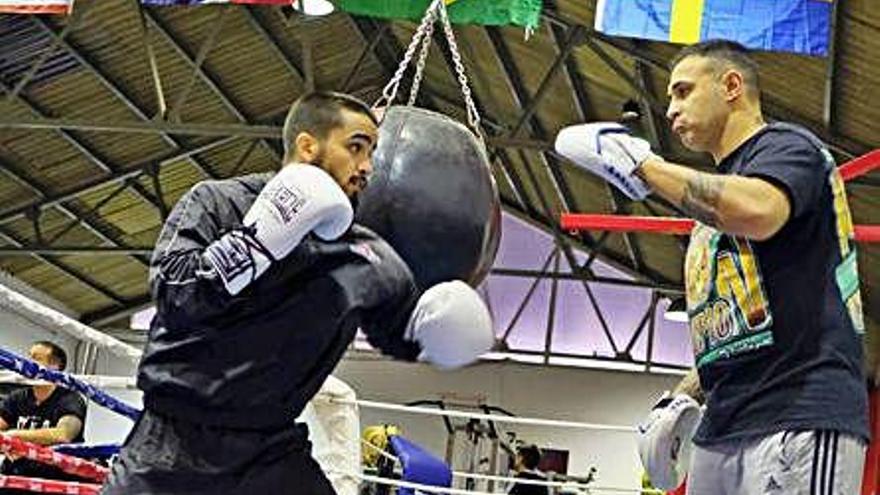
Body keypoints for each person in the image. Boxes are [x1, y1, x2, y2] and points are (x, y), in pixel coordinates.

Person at [100, 91, 495, 495]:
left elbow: (398, 331)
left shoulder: (366, 253)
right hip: (173, 444)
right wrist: (256, 241)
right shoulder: (220, 202)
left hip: (270, 450)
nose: (367, 167)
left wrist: (440, 334)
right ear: (308, 146)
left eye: (372, 152)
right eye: (356, 147)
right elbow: (173, 294)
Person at [555, 40, 868, 494]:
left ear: (732, 86)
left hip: (799, 414)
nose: (669, 110)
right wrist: (682, 394)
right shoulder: (711, 217)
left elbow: (759, 212)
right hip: (722, 426)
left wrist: (641, 165)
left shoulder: (789, 148)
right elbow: (738, 333)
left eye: (682, 92)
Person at [0, 341, 87, 493]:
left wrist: (14, 436)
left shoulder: (70, 399)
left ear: (54, 366)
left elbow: (63, 434)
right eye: (28, 358)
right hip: (16, 478)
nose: (28, 364)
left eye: (35, 359)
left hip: (53, 482)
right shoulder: (17, 398)